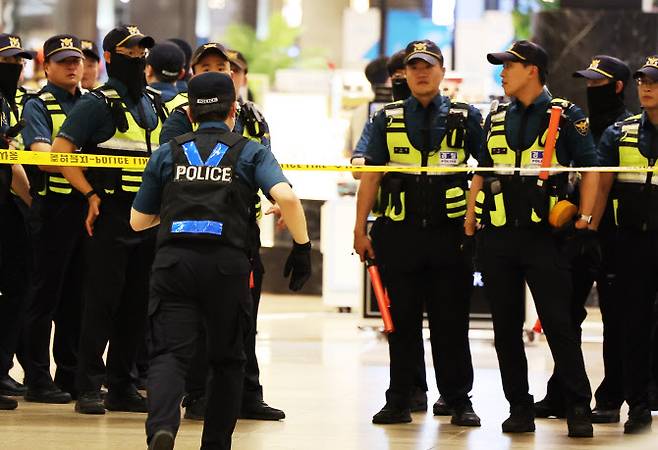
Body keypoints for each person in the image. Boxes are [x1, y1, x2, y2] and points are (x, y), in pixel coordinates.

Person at [132, 70, 311, 450]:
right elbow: (288, 199)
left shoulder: (168, 151)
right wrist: (302, 247)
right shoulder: (251, 150)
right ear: (233, 109)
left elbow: (137, 221)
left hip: (174, 264)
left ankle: (163, 430)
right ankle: (215, 443)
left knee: (169, 355)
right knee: (228, 359)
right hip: (227, 267)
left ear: (191, 113)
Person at [467, 40, 598, 437]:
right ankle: (519, 408)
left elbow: (592, 167)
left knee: (559, 325)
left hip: (547, 238)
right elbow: (483, 169)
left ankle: (577, 406)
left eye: (509, 65)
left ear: (533, 71)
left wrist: (587, 220)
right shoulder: (495, 117)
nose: (502, 72)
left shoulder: (567, 114)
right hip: (499, 239)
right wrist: (471, 220)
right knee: (505, 329)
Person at [353, 39, 482, 427]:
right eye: (414, 67)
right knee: (401, 322)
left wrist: (473, 219)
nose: (421, 73)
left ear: (442, 72)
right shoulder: (385, 118)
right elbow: (370, 174)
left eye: (428, 66)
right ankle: (400, 398)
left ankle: (459, 399)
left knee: (451, 323)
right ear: (404, 74)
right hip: (400, 235)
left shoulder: (466, 116)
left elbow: (487, 168)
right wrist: (360, 230)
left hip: (450, 237)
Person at [159, 42, 282, 421]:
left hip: (242, 232)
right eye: (206, 65)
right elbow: (173, 170)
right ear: (192, 74)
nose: (218, 71)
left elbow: (268, 165)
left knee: (244, 318)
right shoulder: (181, 117)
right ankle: (198, 395)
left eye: (225, 66)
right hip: (192, 232)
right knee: (196, 322)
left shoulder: (255, 117)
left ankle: (247, 393)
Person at [51, 24, 164, 415]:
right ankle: (87, 386)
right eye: (130, 51)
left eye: (142, 51)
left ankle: (122, 385)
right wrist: (90, 195)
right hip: (110, 215)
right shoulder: (96, 103)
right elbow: (60, 151)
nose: (138, 57)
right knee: (100, 303)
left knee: (137, 304)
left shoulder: (154, 103)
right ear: (112, 57)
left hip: (147, 217)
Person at [533, 55, 632, 424]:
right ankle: (562, 393)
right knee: (564, 316)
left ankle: (610, 397)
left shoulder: (626, 128)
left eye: (597, 83)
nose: (591, 89)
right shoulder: (580, 124)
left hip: (613, 238)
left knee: (616, 320)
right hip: (574, 235)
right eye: (588, 82)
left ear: (617, 87)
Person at [20, 34, 86, 404]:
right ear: (46, 67)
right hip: (51, 212)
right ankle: (37, 377)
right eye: (63, 61)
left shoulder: (93, 102)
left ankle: (71, 374)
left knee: (77, 297)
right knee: (43, 297)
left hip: (86, 210)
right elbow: (45, 157)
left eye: (75, 59)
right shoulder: (38, 105)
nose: (72, 66)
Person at [596, 55, 658, 434]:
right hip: (633, 241)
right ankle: (637, 405)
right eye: (642, 80)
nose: (647, 86)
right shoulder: (620, 133)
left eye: (654, 80)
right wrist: (589, 232)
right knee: (632, 325)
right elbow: (601, 185)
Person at [0, 32, 33, 411]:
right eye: (6, 61)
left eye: (17, 62)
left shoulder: (7, 104)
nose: (14, 68)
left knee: (17, 284)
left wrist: (28, 199)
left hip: (7, 204)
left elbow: (8, 157)